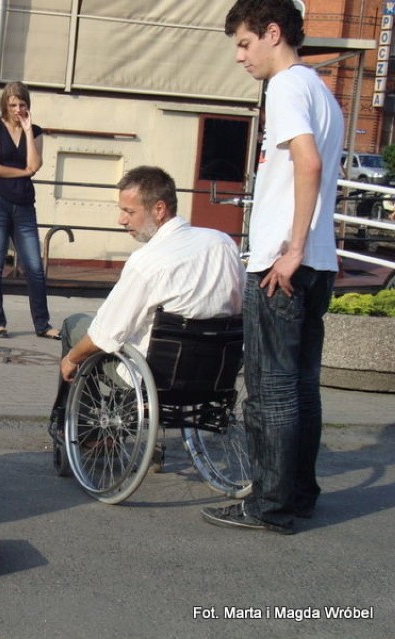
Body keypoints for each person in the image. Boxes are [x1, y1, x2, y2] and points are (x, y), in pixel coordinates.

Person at [201, 0, 343, 535]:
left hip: (284, 264)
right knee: (303, 385)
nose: (239, 57)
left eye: (243, 42)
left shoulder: (284, 86)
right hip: (318, 262)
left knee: (271, 389)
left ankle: (271, 505)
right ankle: (298, 495)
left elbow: (307, 162)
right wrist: (308, 250)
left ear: (273, 33)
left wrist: (291, 249)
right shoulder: (321, 91)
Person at [49, 166, 245, 434]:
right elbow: (240, 305)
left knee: (76, 328)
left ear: (159, 209)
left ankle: (85, 432)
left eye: (129, 212)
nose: (121, 220)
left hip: (154, 376)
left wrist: (71, 359)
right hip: (215, 372)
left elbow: (104, 334)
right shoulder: (222, 244)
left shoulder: (147, 262)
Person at [0, 81, 60, 340]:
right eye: (13, 104)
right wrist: (21, 172)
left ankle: (43, 324)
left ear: (28, 106)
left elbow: (34, 165)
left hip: (24, 205)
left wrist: (27, 131)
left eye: (22, 105)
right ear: (5, 104)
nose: (17, 109)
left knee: (35, 267)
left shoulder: (35, 131)